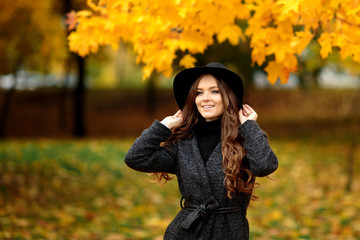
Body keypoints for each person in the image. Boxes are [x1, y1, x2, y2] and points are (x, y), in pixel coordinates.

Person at [124, 62, 278, 240]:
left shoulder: (244, 140)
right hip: (185, 232)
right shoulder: (183, 142)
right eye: (199, 92)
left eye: (214, 91)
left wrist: (250, 126)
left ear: (228, 97)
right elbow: (135, 158)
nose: (205, 98)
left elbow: (265, 166)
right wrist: (163, 127)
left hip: (229, 232)